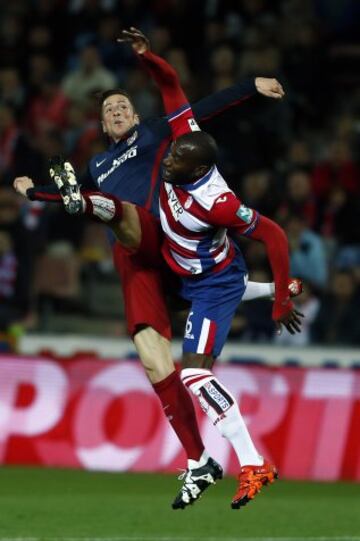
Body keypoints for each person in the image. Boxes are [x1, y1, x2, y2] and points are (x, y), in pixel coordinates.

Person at [13, 29, 301, 508]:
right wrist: (34, 193)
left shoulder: (158, 134)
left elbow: (201, 108)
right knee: (152, 357)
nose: (117, 112)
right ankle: (198, 461)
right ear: (103, 128)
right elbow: (74, 197)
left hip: (155, 230)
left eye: (123, 105)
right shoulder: (99, 166)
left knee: (117, 211)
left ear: (137, 114)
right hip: (137, 256)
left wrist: (250, 86)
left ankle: (268, 292)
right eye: (109, 111)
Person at [116, 28, 303, 509]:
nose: (170, 158)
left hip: (210, 284)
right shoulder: (189, 142)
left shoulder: (219, 203)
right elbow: (173, 88)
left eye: (178, 159)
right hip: (184, 270)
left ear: (198, 170)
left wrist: (282, 303)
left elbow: (275, 235)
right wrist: (148, 57)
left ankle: (253, 463)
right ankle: (266, 288)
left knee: (195, 376)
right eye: (175, 152)